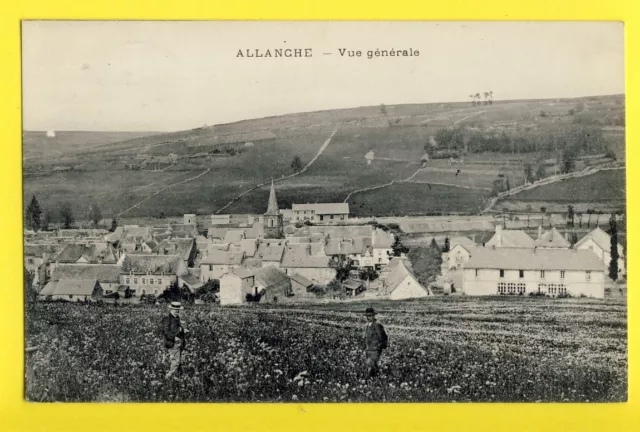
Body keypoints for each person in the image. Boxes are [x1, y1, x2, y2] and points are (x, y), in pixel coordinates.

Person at [161, 301, 189, 379]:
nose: (177, 311)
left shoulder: (177, 318)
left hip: (180, 342)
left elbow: (177, 329)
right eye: (175, 309)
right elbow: (165, 332)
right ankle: (169, 377)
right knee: (176, 361)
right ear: (171, 309)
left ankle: (179, 376)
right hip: (172, 343)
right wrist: (174, 337)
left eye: (178, 309)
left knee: (178, 361)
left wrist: (183, 330)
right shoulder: (167, 318)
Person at [363, 307, 388, 379]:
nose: (368, 317)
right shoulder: (368, 325)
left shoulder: (377, 325)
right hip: (369, 349)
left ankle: (368, 380)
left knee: (370, 365)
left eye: (370, 315)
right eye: (367, 316)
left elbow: (383, 337)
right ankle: (377, 379)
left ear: (374, 315)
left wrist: (379, 346)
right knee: (373, 366)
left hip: (375, 349)